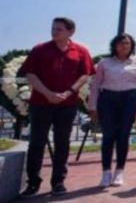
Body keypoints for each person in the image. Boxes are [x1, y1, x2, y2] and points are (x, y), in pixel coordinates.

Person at [19, 17, 95, 198]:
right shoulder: (40, 49)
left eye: (59, 29)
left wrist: (68, 93)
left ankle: (58, 182)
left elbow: (85, 75)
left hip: (67, 104)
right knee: (37, 142)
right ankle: (33, 183)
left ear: (70, 32)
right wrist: (48, 94)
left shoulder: (81, 51)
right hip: (40, 104)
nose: (54, 32)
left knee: (63, 143)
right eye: (53, 28)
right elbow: (30, 74)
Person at [88, 33, 136, 188]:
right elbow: (95, 86)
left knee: (123, 136)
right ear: (114, 45)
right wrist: (92, 106)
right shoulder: (104, 63)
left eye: (127, 43)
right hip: (108, 99)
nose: (124, 45)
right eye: (121, 43)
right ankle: (106, 172)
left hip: (130, 99)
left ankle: (119, 171)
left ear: (132, 46)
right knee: (108, 136)